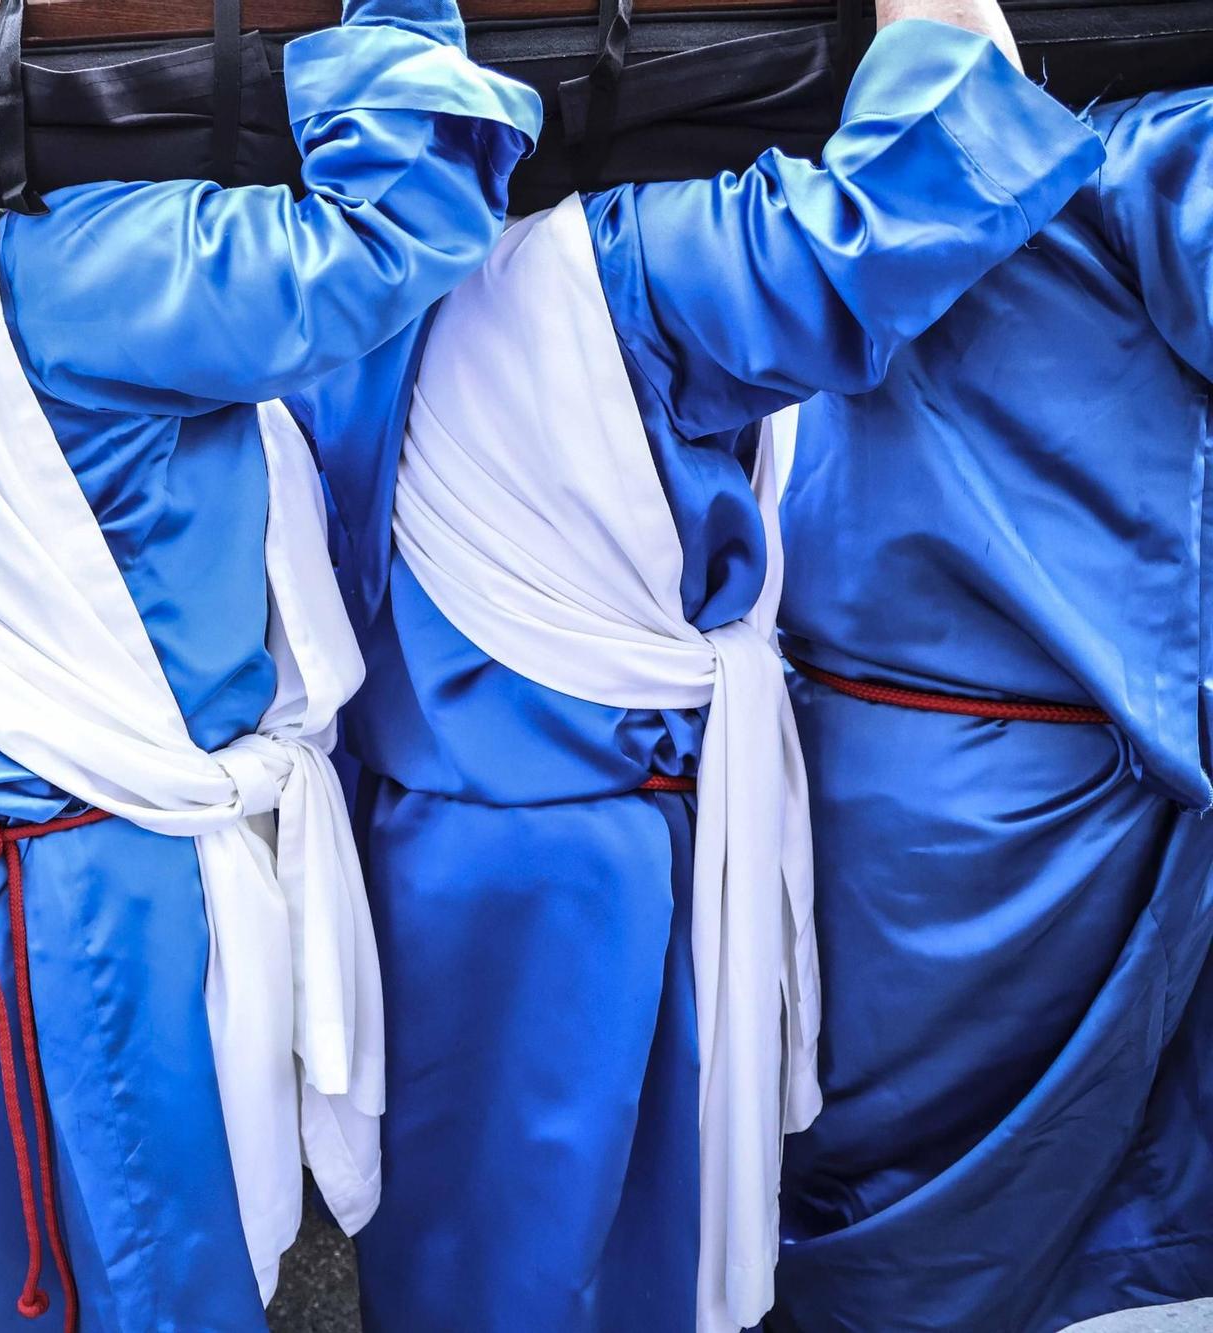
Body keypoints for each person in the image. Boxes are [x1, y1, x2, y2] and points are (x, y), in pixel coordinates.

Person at [287, 3, 1104, 1329]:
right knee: (586, 1262)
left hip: (433, 834)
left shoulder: (352, 278)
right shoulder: (637, 262)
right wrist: (935, 25)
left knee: (476, 1256)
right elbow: (882, 225)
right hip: (587, 872)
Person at [0, 0, 540, 1324]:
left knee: (125, 1276)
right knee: (151, 1293)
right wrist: (394, 17)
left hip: (34, 854)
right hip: (70, 878)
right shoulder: (95, 254)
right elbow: (391, 230)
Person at [769, 81, 1213, 1333]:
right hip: (1042, 780)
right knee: (1012, 1149)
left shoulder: (862, 180)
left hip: (848, 739)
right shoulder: (1161, 150)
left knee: (862, 1113)